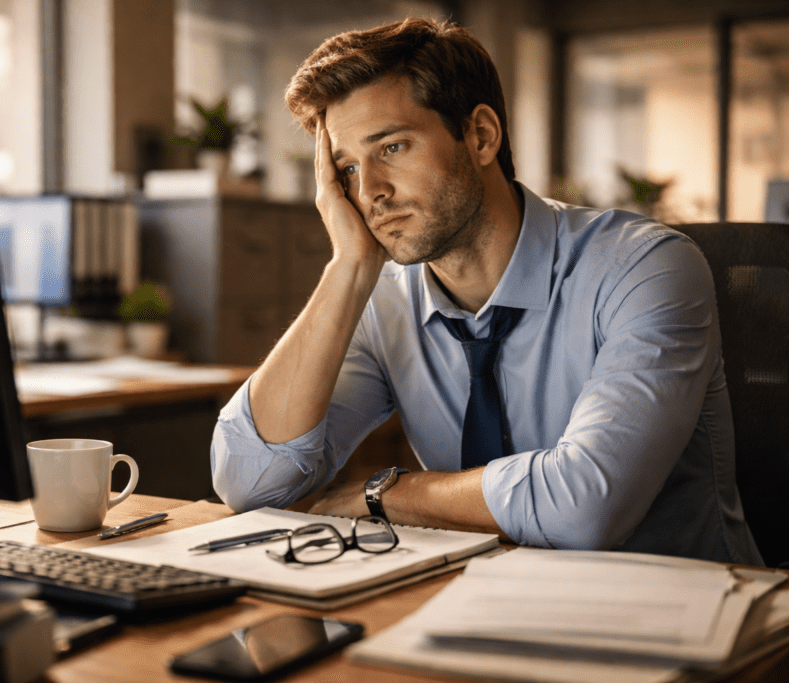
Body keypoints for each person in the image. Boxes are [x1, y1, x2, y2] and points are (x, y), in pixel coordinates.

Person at [210, 17, 761, 564]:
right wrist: (348, 267)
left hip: (680, 613)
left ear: (480, 136)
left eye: (393, 147)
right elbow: (249, 482)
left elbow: (588, 505)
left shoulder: (642, 267)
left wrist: (383, 495)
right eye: (347, 168)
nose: (370, 191)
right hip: (485, 605)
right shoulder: (387, 301)